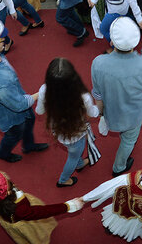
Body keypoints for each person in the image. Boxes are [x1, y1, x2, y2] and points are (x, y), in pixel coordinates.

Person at [0, 20, 48, 162]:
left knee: (30, 119)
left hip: (13, 97)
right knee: (15, 133)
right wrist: (41, 93)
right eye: (1, 39)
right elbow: (19, 105)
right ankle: (3, 153)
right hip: (9, 115)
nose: (6, 40)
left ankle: (28, 145)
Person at [91, 17, 142, 176]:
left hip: (111, 113)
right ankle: (118, 167)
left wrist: (100, 114)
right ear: (135, 41)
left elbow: (98, 96)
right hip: (134, 114)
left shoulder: (98, 63)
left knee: (126, 137)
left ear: (112, 41)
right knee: (128, 141)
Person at [35, 58, 100, 187]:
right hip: (77, 132)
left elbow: (39, 111)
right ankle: (63, 180)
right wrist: (100, 106)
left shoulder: (44, 90)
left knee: (74, 152)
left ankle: (80, 164)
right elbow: (93, 113)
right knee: (73, 156)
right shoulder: (82, 95)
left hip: (58, 131)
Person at [0, 170, 84, 243]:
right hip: (23, 221)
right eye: (5, 179)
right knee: (36, 235)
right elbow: (42, 211)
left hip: (11, 215)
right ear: (8, 192)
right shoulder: (20, 210)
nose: (5, 175)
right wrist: (68, 206)